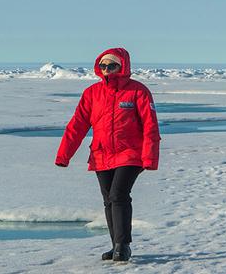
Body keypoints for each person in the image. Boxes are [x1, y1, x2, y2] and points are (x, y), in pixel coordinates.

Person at [56, 47, 161, 262]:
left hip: (132, 154)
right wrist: (63, 155)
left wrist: (149, 157)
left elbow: (150, 127)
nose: (107, 70)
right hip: (101, 155)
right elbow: (77, 125)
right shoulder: (92, 93)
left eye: (111, 65)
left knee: (118, 195)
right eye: (103, 66)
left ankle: (123, 246)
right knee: (109, 200)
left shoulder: (137, 91)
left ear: (123, 66)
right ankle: (116, 246)